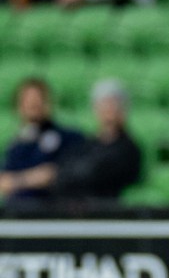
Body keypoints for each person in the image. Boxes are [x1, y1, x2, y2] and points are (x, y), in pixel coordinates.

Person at [0, 79, 142, 204]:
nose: (108, 111)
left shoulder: (69, 138)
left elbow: (82, 175)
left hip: (86, 212)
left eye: (112, 105)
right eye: (104, 105)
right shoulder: (17, 145)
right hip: (23, 210)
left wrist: (52, 175)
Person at [0, 77, 83, 205]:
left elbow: (54, 174)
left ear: (48, 103)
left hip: (51, 212)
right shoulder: (16, 145)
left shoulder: (68, 138)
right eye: (27, 101)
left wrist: (16, 181)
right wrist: (31, 178)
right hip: (16, 213)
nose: (33, 105)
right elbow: (4, 182)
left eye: (37, 100)